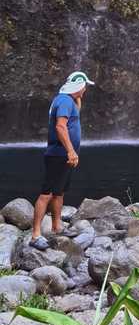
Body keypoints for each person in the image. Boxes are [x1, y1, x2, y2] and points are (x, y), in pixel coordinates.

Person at [30, 71, 95, 250]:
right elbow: (60, 127)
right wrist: (71, 151)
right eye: (85, 86)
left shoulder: (66, 100)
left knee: (59, 192)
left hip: (63, 155)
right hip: (59, 154)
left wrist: (78, 98)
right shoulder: (65, 101)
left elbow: (74, 116)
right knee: (47, 194)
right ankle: (35, 235)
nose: (86, 90)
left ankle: (57, 226)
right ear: (79, 86)